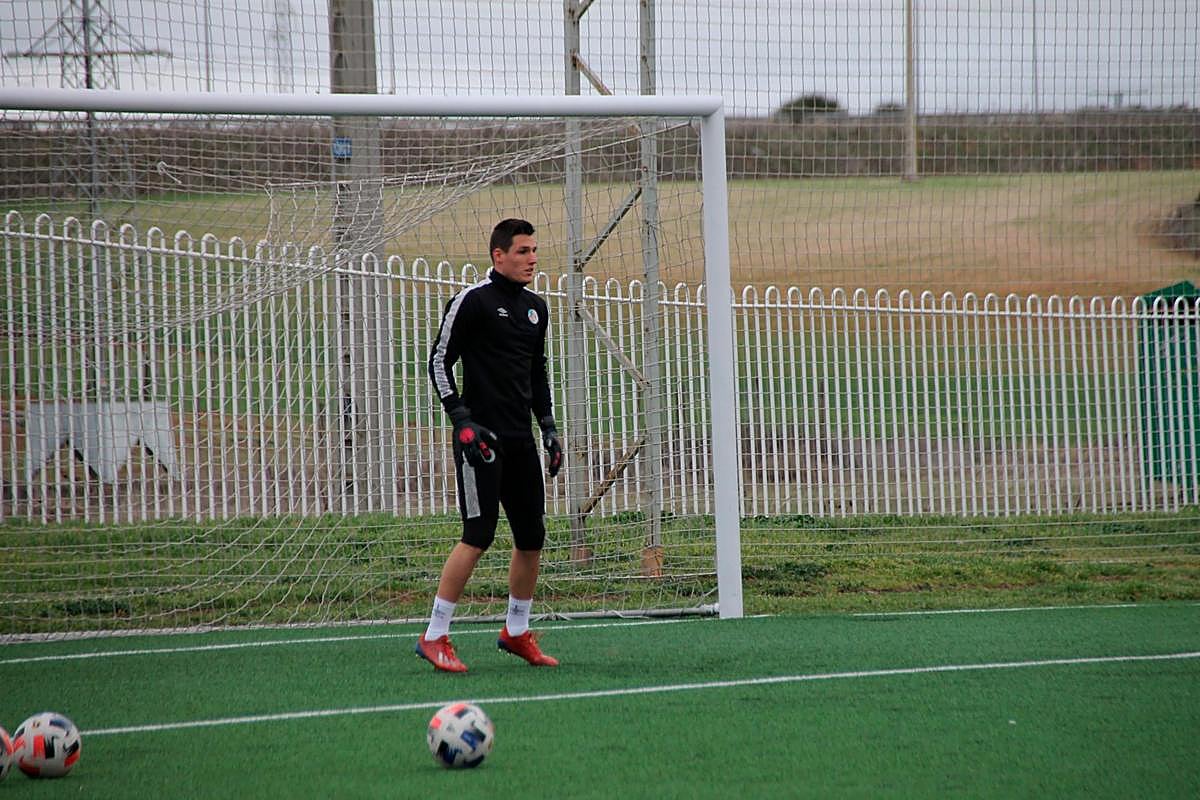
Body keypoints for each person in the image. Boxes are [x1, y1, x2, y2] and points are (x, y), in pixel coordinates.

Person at [416, 218, 564, 673]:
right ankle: (434, 635)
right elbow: (438, 362)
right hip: (480, 440)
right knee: (478, 535)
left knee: (532, 536)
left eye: (534, 251)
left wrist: (548, 427)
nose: (532, 259)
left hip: (521, 440)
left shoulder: (536, 309)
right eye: (522, 251)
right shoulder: (473, 301)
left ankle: (516, 631)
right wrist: (462, 421)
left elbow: (536, 372)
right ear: (498, 255)